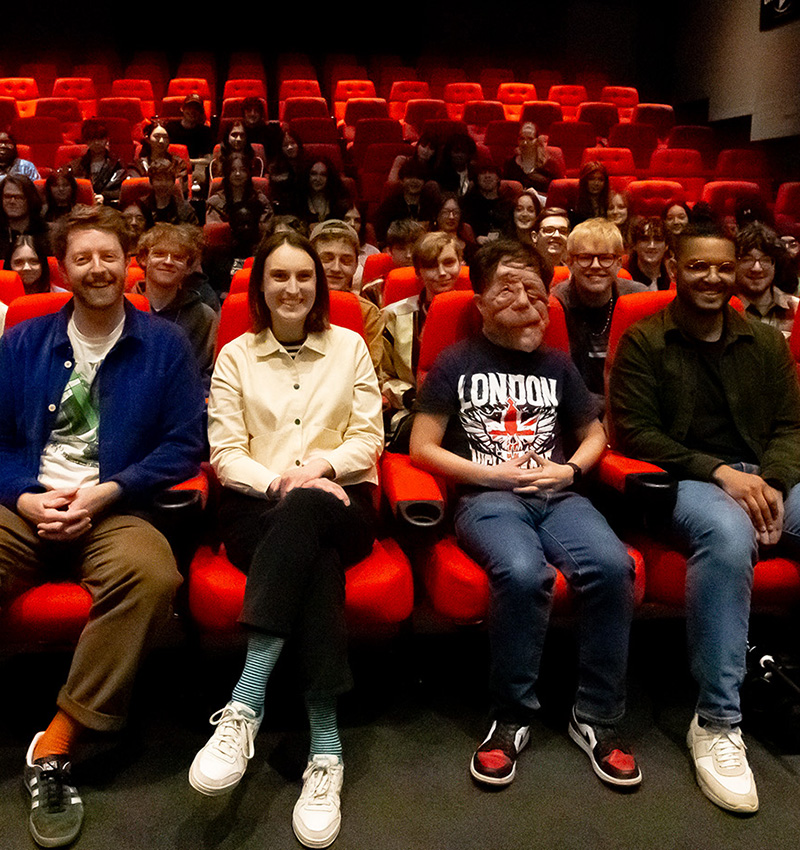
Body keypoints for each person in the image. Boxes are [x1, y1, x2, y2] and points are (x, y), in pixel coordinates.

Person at [0, 205, 206, 847]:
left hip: (115, 508)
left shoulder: (165, 344)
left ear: (128, 263)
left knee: (152, 575)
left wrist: (109, 490)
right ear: (63, 269)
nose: (98, 269)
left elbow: (184, 443)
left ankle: (59, 741)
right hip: (24, 505)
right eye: (84, 258)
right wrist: (26, 496)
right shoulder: (24, 341)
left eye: (109, 257)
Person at [410, 239, 639, 791]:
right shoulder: (456, 361)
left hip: (559, 495)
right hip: (487, 499)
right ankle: (511, 715)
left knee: (613, 567)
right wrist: (492, 474)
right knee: (520, 572)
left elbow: (593, 435)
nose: (524, 300)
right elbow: (421, 447)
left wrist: (571, 472)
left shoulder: (558, 365)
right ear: (481, 302)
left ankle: (597, 715)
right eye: (506, 289)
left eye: (535, 290)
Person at [190, 231, 383, 849]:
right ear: (259, 287)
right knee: (313, 555)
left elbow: (368, 438)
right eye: (279, 277)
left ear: (320, 286)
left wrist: (320, 472)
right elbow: (224, 453)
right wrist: (283, 484)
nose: (293, 288)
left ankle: (245, 705)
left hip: (345, 498)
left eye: (305, 276)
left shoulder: (349, 345)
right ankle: (325, 747)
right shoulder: (235, 356)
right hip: (256, 507)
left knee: (314, 522)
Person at [608, 221, 800, 815]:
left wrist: (770, 481)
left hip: (764, 474)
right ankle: (717, 722)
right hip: (686, 480)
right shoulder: (645, 340)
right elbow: (635, 432)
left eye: (723, 267)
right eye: (698, 267)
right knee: (727, 530)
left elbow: (792, 427)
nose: (712, 278)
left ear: (738, 268)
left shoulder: (766, 342)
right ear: (675, 266)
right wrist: (723, 474)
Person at [551, 218, 646, 410]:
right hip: (573, 410)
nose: (595, 265)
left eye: (605, 257)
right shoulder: (556, 304)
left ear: (619, 262)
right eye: (585, 257)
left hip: (631, 406)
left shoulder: (639, 299)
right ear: (569, 262)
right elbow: (558, 379)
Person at [380, 232, 463, 428]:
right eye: (431, 266)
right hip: (411, 411)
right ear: (418, 272)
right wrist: (409, 397)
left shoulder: (479, 312)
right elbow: (381, 375)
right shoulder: (392, 316)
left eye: (449, 263)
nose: (442, 273)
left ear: (461, 263)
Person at [137, 223, 218, 390]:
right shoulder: (122, 306)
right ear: (144, 259)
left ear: (188, 267)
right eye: (159, 253)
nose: (168, 262)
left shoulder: (204, 316)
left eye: (178, 257)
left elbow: (204, 379)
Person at [310, 219, 384, 372]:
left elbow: (372, 370)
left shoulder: (368, 312)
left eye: (346, 260)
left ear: (356, 265)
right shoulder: (292, 304)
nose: (336, 268)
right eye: (327, 259)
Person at [735, 220, 798, 338]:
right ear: (735, 264)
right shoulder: (725, 310)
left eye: (765, 260)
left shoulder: (795, 308)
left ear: (776, 265)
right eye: (747, 259)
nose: (757, 268)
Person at [360, 218, 428, 308]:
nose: (408, 255)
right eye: (401, 249)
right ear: (389, 251)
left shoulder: (433, 282)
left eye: (413, 248)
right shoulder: (372, 290)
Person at [374, 158, 440, 245]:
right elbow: (381, 234)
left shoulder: (430, 204)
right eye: (409, 177)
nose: (414, 181)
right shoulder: (390, 205)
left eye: (419, 178)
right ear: (401, 180)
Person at [68, 120, 126, 205]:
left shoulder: (117, 163)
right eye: (92, 139)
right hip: (82, 206)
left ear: (107, 139)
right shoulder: (75, 165)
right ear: (86, 141)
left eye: (100, 138)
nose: (96, 143)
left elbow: (122, 190)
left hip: (109, 206)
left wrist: (105, 196)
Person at [165, 94, 214, 194]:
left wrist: (188, 161)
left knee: (199, 177)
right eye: (189, 107)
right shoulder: (170, 127)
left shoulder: (205, 131)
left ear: (201, 112)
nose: (192, 111)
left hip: (196, 167)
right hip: (172, 164)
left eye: (196, 109)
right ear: (182, 109)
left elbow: (209, 159)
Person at [460, 158, 514, 244]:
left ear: (498, 178)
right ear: (477, 179)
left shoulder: (509, 205)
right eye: (482, 173)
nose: (487, 176)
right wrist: (476, 238)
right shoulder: (468, 203)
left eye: (491, 172)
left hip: (505, 247)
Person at [502, 122, 560, 196]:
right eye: (522, 138)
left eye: (530, 139)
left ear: (537, 141)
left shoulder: (551, 165)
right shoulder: (509, 164)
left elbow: (558, 193)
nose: (525, 143)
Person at [132, 121, 189, 197]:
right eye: (157, 136)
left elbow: (180, 189)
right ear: (148, 139)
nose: (161, 141)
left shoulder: (178, 164)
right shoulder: (138, 165)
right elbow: (134, 189)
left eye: (165, 137)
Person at [0, 174, 50, 259]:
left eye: (19, 197)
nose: (12, 201)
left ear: (30, 199)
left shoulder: (49, 234)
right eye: (7, 197)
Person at [295, 157, 352, 227]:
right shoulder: (297, 199)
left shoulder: (339, 199)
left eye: (323, 175)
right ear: (306, 175)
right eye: (313, 174)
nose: (318, 179)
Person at [140, 159, 199, 226]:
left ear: (173, 182)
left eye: (168, 179)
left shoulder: (185, 208)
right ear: (151, 182)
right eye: (158, 179)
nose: (163, 184)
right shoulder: (142, 207)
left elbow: (193, 233)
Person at [625, 216, 671, 291]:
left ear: (666, 246)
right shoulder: (622, 281)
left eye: (658, 240)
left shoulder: (674, 279)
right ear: (634, 245)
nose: (651, 246)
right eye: (645, 240)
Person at [532, 207, 571, 279]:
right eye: (549, 230)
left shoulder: (573, 275)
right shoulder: (524, 270)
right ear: (534, 237)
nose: (557, 235)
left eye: (563, 231)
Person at [570, 161, 610, 227]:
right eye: (592, 179)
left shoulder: (610, 203)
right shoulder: (574, 204)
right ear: (584, 181)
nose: (596, 183)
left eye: (600, 180)